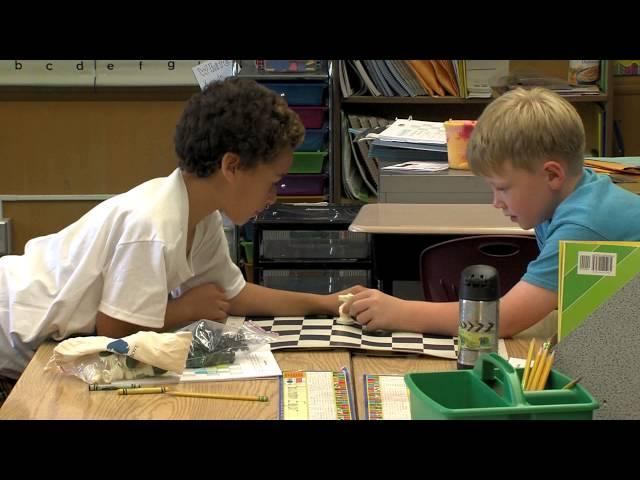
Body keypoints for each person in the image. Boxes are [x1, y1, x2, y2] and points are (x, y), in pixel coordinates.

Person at [0, 77, 348, 397]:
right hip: (13, 340)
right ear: (231, 167)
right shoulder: (152, 226)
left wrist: (325, 304)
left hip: (38, 344)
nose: (275, 194)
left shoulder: (202, 215)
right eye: (274, 180)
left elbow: (233, 294)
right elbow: (114, 334)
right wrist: (183, 309)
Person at [343, 87, 640, 338]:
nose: (496, 202)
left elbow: (504, 320)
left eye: (503, 188)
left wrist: (400, 311)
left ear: (551, 175)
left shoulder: (583, 226)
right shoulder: (568, 197)